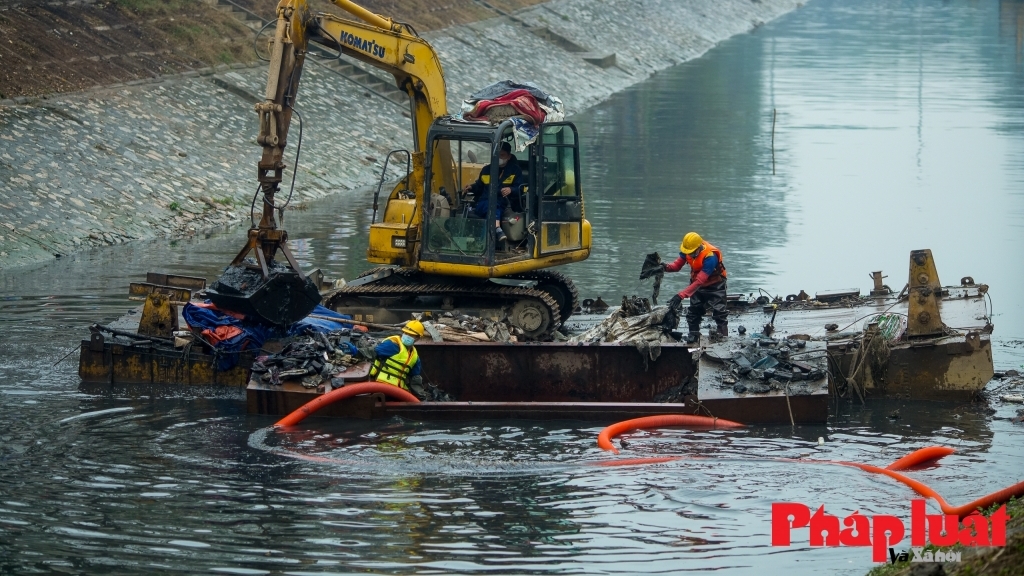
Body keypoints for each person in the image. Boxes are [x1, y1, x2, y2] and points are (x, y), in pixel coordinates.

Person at [663, 232, 728, 341]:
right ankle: (693, 336)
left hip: (715, 285)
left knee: (719, 313)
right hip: (697, 285)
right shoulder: (688, 251)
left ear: (699, 248)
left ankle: (724, 339)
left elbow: (700, 280)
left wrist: (681, 295)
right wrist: (663, 267)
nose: (690, 255)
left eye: (692, 253)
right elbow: (676, 266)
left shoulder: (710, 257)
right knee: (693, 312)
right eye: (688, 252)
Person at [464, 141, 523, 244]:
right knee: (492, 206)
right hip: (484, 202)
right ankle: (496, 229)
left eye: (502, 155)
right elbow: (479, 186)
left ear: (509, 156)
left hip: (504, 203)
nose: (500, 158)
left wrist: (511, 190)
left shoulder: (515, 171)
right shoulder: (486, 170)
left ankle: (483, 242)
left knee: (494, 207)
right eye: (497, 155)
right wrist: (471, 187)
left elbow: (521, 188)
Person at [369, 320, 425, 391]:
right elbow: (371, 352)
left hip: (398, 391)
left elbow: (415, 378)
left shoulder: (414, 357)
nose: (406, 335)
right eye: (405, 333)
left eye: (410, 334)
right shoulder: (392, 345)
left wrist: (420, 396)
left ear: (417, 338)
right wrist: (355, 351)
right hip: (380, 386)